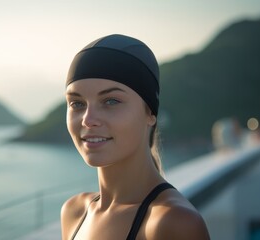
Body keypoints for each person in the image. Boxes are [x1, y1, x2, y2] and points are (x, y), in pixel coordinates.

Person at [61, 34, 210, 240]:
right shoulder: (74, 213)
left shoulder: (173, 223)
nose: (88, 119)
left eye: (111, 101)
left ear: (150, 113)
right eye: (77, 103)